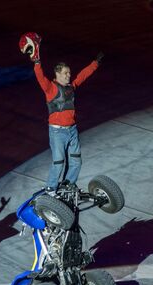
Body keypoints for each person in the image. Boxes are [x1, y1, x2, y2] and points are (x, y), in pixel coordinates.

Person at [25, 34, 103, 194]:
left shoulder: (71, 87)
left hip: (72, 131)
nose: (69, 75)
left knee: (76, 161)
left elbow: (82, 75)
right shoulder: (51, 88)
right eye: (66, 73)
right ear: (58, 74)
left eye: (69, 73)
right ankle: (51, 188)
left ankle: (69, 183)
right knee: (59, 162)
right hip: (57, 132)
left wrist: (95, 63)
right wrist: (37, 62)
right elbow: (40, 77)